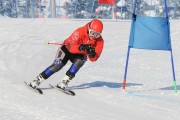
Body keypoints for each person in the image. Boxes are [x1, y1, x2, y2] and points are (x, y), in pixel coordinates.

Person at [29, 19, 104, 90]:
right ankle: (37, 80)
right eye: (92, 33)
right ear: (88, 29)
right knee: (57, 66)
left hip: (79, 54)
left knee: (81, 60)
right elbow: (70, 47)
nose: (94, 36)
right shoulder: (80, 31)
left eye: (97, 35)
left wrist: (92, 54)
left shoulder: (100, 42)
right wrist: (81, 47)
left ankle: (64, 82)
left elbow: (94, 59)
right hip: (66, 49)